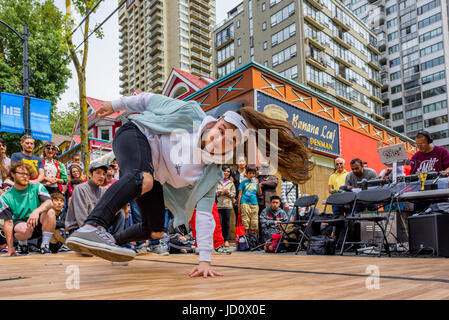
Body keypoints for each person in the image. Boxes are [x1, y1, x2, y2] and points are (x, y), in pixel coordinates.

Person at [66, 92, 313, 278]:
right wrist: (115, 105)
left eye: (230, 139)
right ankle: (92, 226)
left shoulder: (209, 174)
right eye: (222, 129)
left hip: (153, 175)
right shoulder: (190, 113)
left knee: (156, 230)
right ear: (216, 123)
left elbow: (205, 217)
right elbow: (148, 100)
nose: (220, 138)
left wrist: (205, 260)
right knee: (143, 177)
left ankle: (108, 244)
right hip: (136, 134)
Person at [0, 161, 54, 255]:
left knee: (51, 212)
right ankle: (22, 244)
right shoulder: (5, 196)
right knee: (23, 229)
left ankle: (45, 246)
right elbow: (8, 223)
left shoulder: (37, 186)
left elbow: (49, 202)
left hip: (38, 221)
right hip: (21, 225)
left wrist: (37, 211)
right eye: (21, 173)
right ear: (13, 174)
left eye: (27, 174)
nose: (25, 176)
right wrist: (10, 247)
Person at [238, 166, 261, 236]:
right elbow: (240, 195)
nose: (252, 175)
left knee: (254, 221)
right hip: (244, 203)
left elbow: (259, 193)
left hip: (254, 203)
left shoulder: (255, 182)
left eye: (253, 173)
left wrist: (258, 184)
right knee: (245, 221)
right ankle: (245, 238)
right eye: (250, 173)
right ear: (246, 173)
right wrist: (239, 206)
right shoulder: (243, 182)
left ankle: (252, 239)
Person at [216, 166, 236, 247]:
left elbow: (233, 194)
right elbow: (214, 192)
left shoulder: (231, 183)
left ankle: (226, 240)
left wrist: (227, 192)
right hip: (218, 205)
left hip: (227, 206)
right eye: (225, 171)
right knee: (219, 223)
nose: (226, 173)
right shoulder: (216, 181)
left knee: (226, 224)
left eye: (228, 171)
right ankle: (219, 241)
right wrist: (221, 191)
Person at [231, 156, 247, 223]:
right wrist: (232, 198)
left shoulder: (249, 173)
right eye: (239, 161)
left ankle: (247, 233)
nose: (241, 163)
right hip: (237, 199)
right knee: (238, 217)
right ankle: (239, 233)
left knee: (247, 218)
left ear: (246, 163)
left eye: (243, 161)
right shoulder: (234, 173)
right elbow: (231, 186)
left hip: (247, 198)